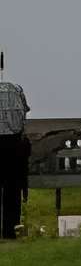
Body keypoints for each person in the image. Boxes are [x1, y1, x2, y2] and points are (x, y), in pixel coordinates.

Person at [0, 46, 25, 241]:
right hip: (14, 144)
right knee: (12, 190)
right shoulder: (14, 89)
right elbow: (25, 113)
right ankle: (11, 231)